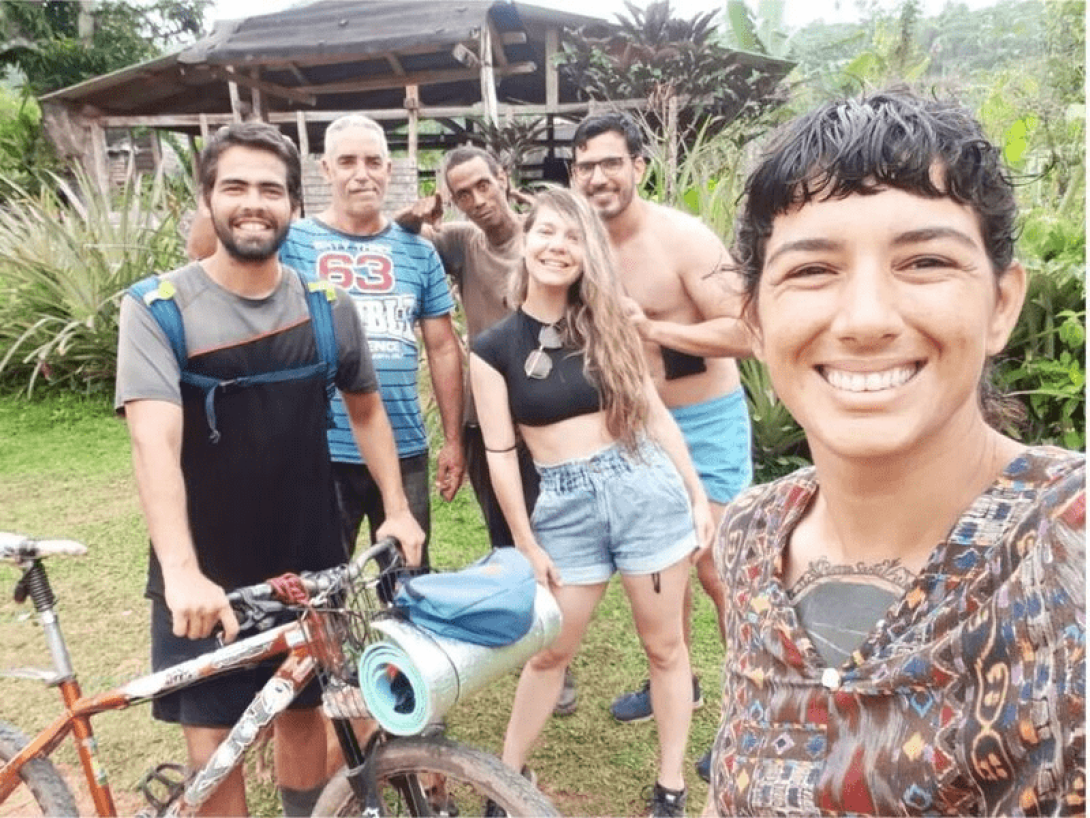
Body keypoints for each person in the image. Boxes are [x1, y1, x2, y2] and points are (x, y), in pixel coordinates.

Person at [705, 89, 1085, 816]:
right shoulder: (751, 535)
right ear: (754, 320)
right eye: (812, 270)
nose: (867, 319)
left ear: (1002, 304)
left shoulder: (1069, 543)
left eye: (926, 261)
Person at [116, 121, 425, 817]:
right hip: (205, 568)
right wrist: (180, 571)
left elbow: (368, 412)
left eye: (270, 189)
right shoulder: (159, 310)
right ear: (207, 199)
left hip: (307, 553)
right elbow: (153, 445)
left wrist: (397, 507)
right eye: (235, 187)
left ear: (293, 203)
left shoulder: (326, 309)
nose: (253, 203)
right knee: (214, 740)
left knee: (302, 712)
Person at [471, 187, 714, 817]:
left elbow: (654, 412)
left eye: (573, 237)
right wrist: (524, 540)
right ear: (526, 242)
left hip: (642, 490)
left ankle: (670, 785)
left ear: (588, 254)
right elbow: (501, 453)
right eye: (547, 232)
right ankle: (507, 777)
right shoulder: (493, 349)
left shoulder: (609, 322)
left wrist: (694, 493)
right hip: (564, 507)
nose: (558, 247)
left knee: (664, 648)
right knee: (550, 650)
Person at [569, 111, 753, 775]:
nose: (599, 177)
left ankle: (751, 713)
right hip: (633, 431)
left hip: (706, 425)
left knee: (717, 570)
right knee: (656, 567)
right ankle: (675, 682)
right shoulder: (580, 247)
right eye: (586, 165)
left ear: (639, 166)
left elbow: (747, 331)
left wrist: (657, 330)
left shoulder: (682, 239)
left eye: (611, 162)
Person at [396, 145, 579, 716]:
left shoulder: (545, 239)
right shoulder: (460, 242)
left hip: (545, 412)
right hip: (484, 415)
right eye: (462, 194)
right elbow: (401, 233)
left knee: (550, 532)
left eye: (483, 185)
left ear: (503, 178)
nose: (477, 201)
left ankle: (556, 656)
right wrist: (418, 212)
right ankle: (521, 630)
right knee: (504, 529)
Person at [279, 115, 465, 567]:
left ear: (389, 170)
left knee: (407, 581)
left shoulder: (418, 250)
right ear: (325, 170)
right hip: (320, 450)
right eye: (347, 161)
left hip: (404, 449)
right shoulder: (291, 242)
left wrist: (454, 440)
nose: (361, 173)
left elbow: (442, 348)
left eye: (373, 161)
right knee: (320, 591)